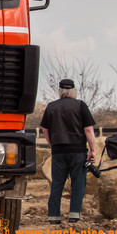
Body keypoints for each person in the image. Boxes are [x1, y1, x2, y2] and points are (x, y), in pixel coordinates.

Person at [40, 78, 96, 224]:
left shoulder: (51, 107)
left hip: (58, 151)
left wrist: (53, 145)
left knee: (57, 184)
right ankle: (74, 216)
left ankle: (53, 217)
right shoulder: (80, 105)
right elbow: (88, 130)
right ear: (73, 90)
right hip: (78, 151)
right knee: (78, 183)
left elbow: (45, 130)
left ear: (60, 90)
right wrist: (93, 150)